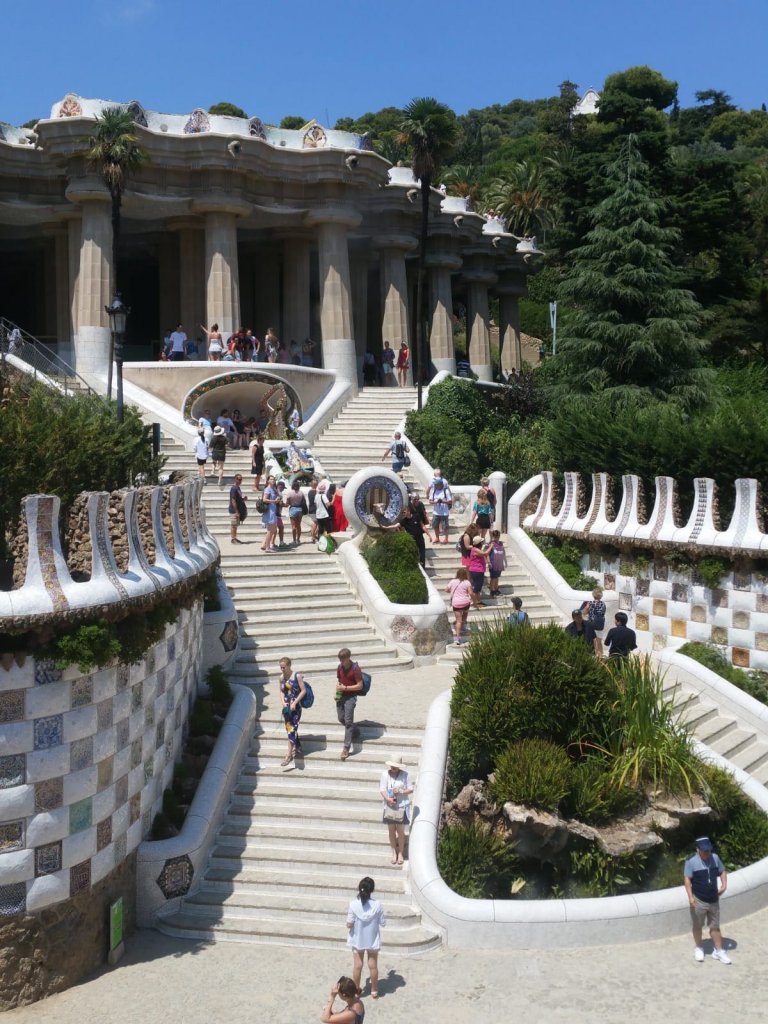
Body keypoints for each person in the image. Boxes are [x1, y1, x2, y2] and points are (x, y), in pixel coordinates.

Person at [684, 837, 731, 964]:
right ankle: (699, 947)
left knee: (715, 926)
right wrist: (690, 897)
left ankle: (719, 950)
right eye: (704, 851)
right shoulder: (691, 861)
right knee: (697, 926)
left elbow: (722, 871)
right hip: (699, 900)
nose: (707, 853)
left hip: (713, 900)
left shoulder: (715, 858)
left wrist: (724, 885)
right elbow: (687, 879)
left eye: (708, 851)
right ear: (697, 849)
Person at [346, 877, 385, 1000]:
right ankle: (374, 991)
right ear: (372, 890)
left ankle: (356, 992)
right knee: (373, 965)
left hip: (358, 940)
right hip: (372, 939)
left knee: (358, 965)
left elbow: (349, 924)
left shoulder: (353, 904)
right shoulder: (377, 905)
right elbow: (383, 923)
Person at [380, 755, 413, 865]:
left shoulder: (405, 775)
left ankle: (401, 853)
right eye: (392, 766)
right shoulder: (385, 774)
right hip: (389, 807)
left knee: (400, 831)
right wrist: (388, 799)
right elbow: (382, 789)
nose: (393, 768)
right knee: (391, 831)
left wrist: (401, 791)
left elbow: (410, 789)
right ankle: (394, 852)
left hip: (401, 806)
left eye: (395, 766)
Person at [335, 648, 364, 761]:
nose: (341, 662)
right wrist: (337, 691)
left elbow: (360, 685)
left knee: (347, 722)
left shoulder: (356, 669)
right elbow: (338, 680)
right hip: (341, 695)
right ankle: (355, 730)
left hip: (351, 697)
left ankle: (346, 748)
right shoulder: (339, 667)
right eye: (340, 660)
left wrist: (346, 688)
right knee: (341, 718)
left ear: (348, 658)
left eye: (343, 660)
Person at [278, 656, 306, 766]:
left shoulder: (297, 676)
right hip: (287, 708)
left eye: (284, 667)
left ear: (289, 665)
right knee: (290, 728)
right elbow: (281, 692)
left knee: (291, 729)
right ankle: (297, 746)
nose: (282, 669)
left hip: (296, 707)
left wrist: (295, 702)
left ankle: (288, 755)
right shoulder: (281, 678)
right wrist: (283, 703)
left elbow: (303, 691)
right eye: (281, 667)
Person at [447, 566, 472, 645]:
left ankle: (457, 639)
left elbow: (446, 590)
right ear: (465, 574)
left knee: (458, 621)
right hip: (466, 602)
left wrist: (452, 592)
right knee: (465, 614)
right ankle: (463, 626)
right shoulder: (467, 582)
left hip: (456, 603)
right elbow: (470, 593)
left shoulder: (452, 581)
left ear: (457, 574)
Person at [427, 468, 452, 545]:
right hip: (436, 511)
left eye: (437, 485)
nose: (436, 486)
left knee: (445, 526)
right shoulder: (434, 491)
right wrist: (435, 502)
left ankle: (446, 539)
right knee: (435, 525)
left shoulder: (446, 491)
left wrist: (443, 501)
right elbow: (430, 501)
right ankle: (437, 538)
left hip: (444, 512)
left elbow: (450, 501)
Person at [582, 587, 607, 655]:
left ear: (593, 595)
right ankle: (601, 656)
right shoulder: (603, 604)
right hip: (600, 624)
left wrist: (586, 609)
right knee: (599, 642)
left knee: (593, 641)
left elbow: (584, 612)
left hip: (591, 624)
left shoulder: (590, 603)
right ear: (601, 595)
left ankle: (596, 656)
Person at [261, 474, 279, 552]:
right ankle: (267, 547)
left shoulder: (274, 489)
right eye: (271, 479)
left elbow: (276, 496)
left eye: (273, 479)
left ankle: (266, 545)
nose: (273, 480)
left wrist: (277, 498)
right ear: (268, 481)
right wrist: (274, 501)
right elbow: (264, 499)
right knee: (270, 530)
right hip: (270, 511)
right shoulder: (267, 489)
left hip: (274, 510)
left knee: (274, 529)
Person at [286, 479, 307, 545]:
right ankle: (298, 539)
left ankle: (294, 540)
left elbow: (288, 503)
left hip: (293, 509)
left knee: (293, 526)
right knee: (298, 525)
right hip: (300, 509)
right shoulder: (301, 493)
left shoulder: (290, 493)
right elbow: (304, 501)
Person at [488, 529, 507, 598]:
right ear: (493, 536)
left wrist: (505, 561)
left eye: (498, 536)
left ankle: (496, 589)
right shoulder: (491, 544)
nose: (497, 537)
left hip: (499, 563)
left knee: (497, 577)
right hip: (493, 563)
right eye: (495, 536)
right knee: (493, 577)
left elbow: (503, 552)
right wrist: (489, 562)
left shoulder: (501, 543)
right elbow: (487, 554)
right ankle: (492, 590)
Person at [228, 474, 247, 544]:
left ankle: (235, 538)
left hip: (238, 509)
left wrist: (243, 499)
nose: (239, 481)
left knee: (235, 525)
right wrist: (236, 511)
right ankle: (233, 539)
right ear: (235, 479)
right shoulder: (234, 488)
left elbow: (238, 499)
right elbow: (233, 500)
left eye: (240, 479)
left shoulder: (238, 488)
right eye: (238, 479)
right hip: (234, 510)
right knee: (233, 525)